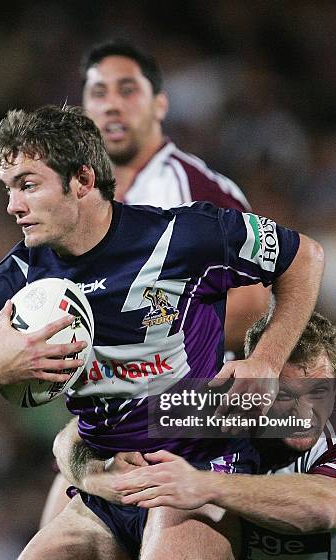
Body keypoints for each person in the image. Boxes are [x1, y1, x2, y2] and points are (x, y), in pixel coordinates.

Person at [0, 105, 324, 560]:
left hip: (199, 470)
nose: (12, 205)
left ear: (83, 180)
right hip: (108, 487)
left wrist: (267, 360)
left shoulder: (183, 236)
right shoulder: (14, 282)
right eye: (8, 188)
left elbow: (304, 257)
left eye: (27, 184)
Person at [41, 38, 271, 526]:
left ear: (159, 103)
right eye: (99, 92)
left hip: (197, 412)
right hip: (118, 409)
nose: (112, 103)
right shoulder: (82, 202)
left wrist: (132, 331)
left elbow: (252, 306)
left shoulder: (191, 189)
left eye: (129, 89)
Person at [84, 312, 336, 560]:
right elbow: (76, 438)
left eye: (318, 391)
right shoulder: (208, 407)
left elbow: (325, 507)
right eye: (284, 394)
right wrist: (94, 474)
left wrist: (203, 485)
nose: (303, 413)